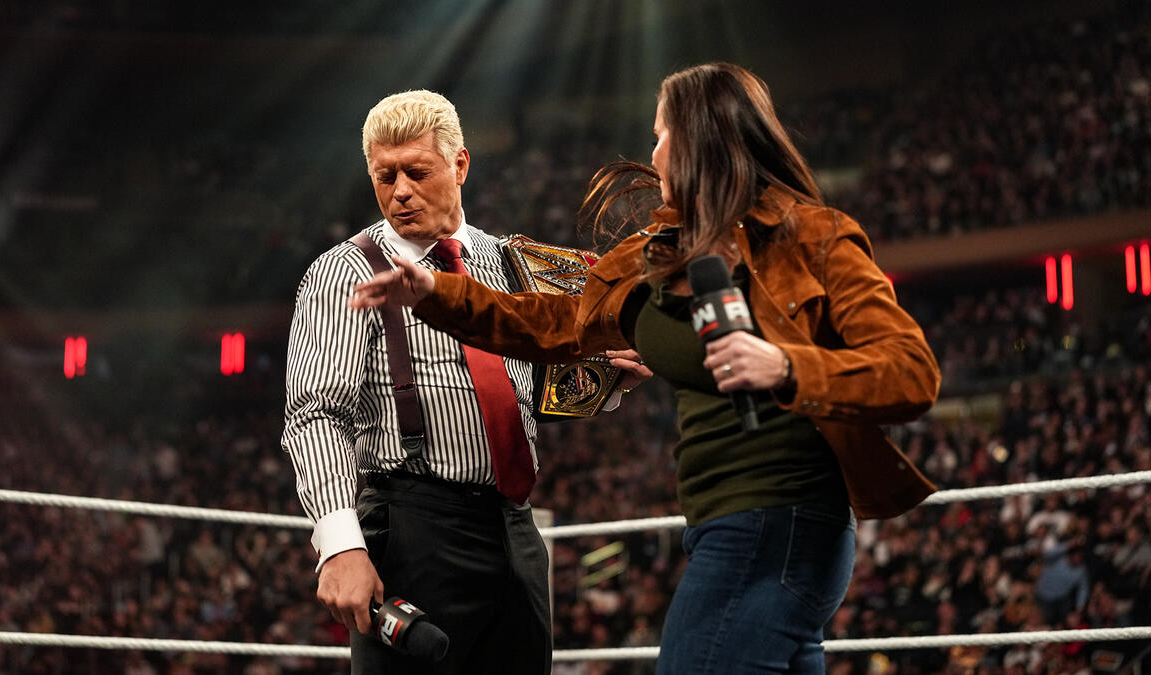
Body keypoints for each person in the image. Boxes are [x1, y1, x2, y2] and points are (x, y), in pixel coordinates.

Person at [352, 63, 941, 673]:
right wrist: (437, 293)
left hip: (784, 515)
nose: (653, 154)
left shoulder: (814, 237)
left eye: (661, 136)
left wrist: (787, 366)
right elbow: (555, 322)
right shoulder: (659, 254)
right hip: (719, 522)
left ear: (700, 141)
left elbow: (910, 371)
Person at [282, 89, 648, 674]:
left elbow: (517, 397)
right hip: (413, 528)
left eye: (417, 171)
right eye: (385, 176)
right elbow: (315, 413)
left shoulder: (507, 262)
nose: (401, 191)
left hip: (516, 528)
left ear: (460, 165)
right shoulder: (345, 271)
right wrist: (340, 544)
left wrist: (606, 385)